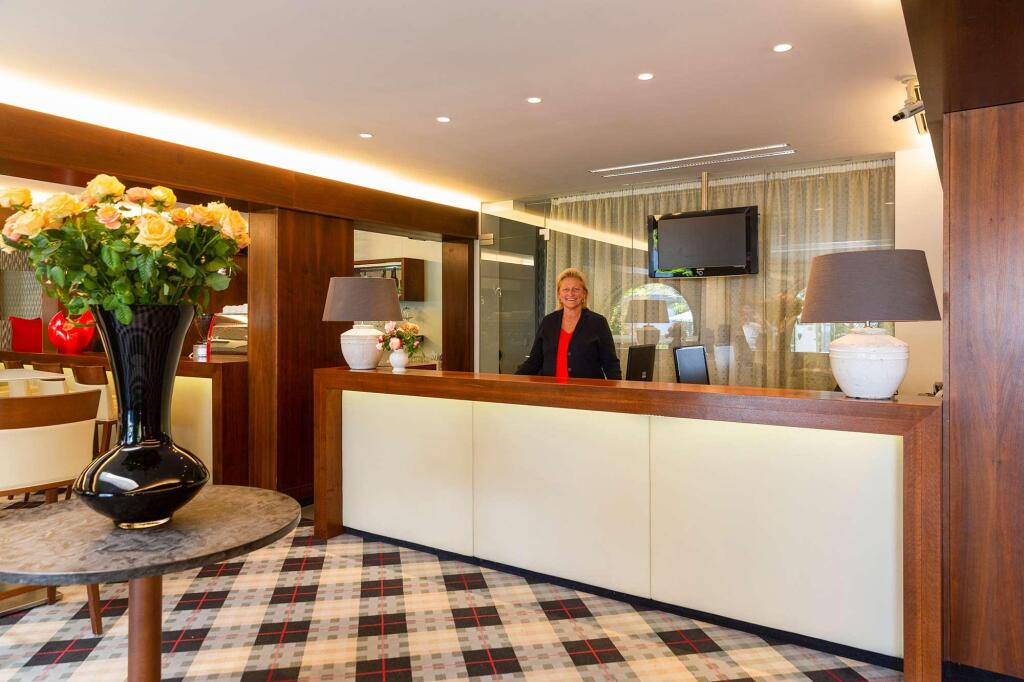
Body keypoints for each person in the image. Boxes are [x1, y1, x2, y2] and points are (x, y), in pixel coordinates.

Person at [516, 267, 622, 379]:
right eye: (565, 289)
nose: (570, 293)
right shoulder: (548, 321)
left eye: (576, 289)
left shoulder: (598, 322)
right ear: (559, 295)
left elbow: (611, 364)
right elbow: (534, 361)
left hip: (586, 389)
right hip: (551, 388)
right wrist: (511, 380)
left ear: (584, 294)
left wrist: (618, 387)